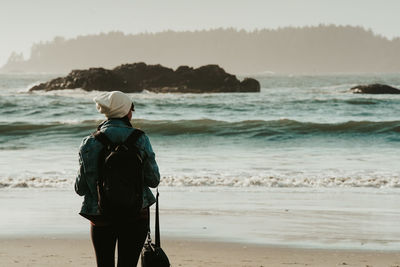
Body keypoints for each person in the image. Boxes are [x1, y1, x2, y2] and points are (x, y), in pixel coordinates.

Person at [75, 91, 160, 267]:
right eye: (131, 109)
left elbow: (80, 189)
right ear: (126, 112)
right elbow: (153, 180)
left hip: (100, 214)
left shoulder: (89, 142)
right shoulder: (140, 138)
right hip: (136, 213)